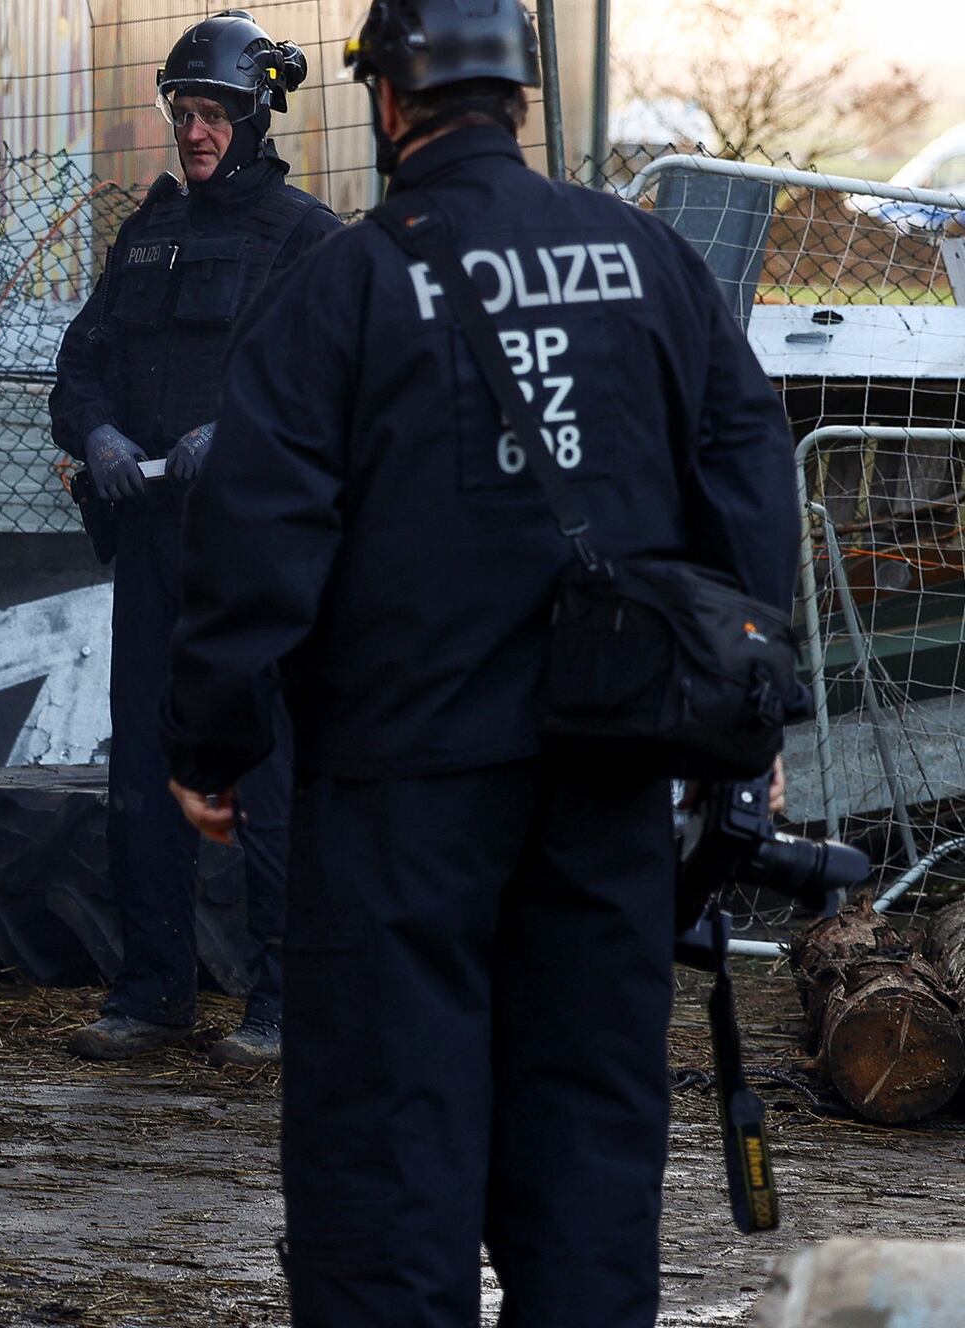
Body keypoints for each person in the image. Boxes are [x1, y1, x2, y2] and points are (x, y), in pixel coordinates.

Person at [160, 1, 800, 1323]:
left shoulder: (341, 283)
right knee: (587, 1139)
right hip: (611, 778)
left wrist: (211, 747)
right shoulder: (648, 257)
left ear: (387, 101)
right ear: (517, 94)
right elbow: (748, 470)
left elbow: (258, 535)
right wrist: (755, 720)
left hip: (403, 790)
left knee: (389, 1148)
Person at [48, 10, 342, 1068]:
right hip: (156, 545)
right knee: (146, 769)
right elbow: (79, 367)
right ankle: (151, 993)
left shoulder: (311, 239)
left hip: (258, 556)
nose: (195, 131)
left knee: (267, 778)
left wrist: (247, 434)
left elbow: (344, 391)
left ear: (256, 117)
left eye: (214, 111)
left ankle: (283, 1004)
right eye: (183, 111)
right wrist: (100, 431)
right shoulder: (147, 232)